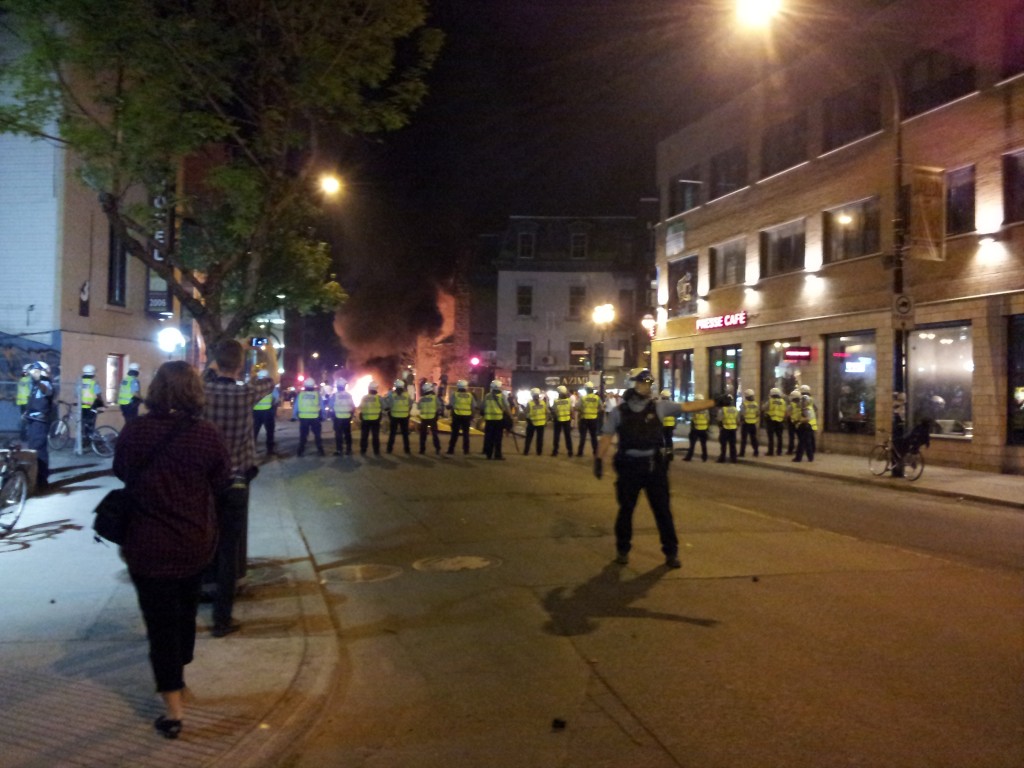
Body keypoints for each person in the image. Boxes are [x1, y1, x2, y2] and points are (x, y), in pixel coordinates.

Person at [114, 360, 231, 740]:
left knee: (160, 627)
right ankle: (179, 676)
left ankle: (174, 710)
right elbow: (220, 481)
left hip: (147, 545)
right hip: (194, 543)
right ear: (195, 392)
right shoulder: (207, 435)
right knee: (183, 617)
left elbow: (122, 471)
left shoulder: (135, 432)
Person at [202, 339, 274, 638]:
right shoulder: (246, 393)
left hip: (204, 480)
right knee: (230, 549)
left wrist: (219, 357)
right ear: (241, 365)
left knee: (203, 539)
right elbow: (272, 378)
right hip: (236, 481)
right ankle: (222, 619)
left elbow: (202, 374)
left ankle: (197, 594)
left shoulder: (202, 391)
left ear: (216, 362)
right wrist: (266, 351)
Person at [593, 368, 685, 569]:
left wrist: (715, 402)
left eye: (648, 383)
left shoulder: (658, 407)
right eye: (642, 383)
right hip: (629, 467)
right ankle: (622, 550)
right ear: (632, 384)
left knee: (662, 511)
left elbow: (688, 406)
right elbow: (607, 437)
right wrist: (599, 459)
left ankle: (671, 552)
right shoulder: (619, 412)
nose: (646, 387)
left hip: (654, 466)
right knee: (626, 510)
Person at [23, 361, 54, 490]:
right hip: (32, 420)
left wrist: (37, 381)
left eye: (36, 371)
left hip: (40, 422)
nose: (33, 373)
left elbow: (48, 392)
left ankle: (42, 481)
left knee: (38, 450)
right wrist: (26, 412)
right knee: (33, 449)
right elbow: (33, 401)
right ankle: (36, 478)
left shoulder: (45, 383)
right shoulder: (35, 385)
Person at [292, 377, 325, 456]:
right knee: (317, 435)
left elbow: (296, 406)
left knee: (303, 435)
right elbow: (322, 406)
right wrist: (323, 416)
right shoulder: (317, 395)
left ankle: (300, 451)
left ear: (305, 386)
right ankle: (320, 450)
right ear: (313, 386)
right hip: (315, 417)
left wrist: (294, 416)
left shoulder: (300, 395)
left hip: (303, 418)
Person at [481, 380, 512, 460]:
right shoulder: (502, 396)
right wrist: (510, 417)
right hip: (498, 420)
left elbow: (483, 406)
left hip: (489, 420)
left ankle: (488, 454)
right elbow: (507, 407)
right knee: (498, 439)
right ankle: (497, 455)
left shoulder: (487, 396)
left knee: (489, 438)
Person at [252, 369, 280, 456]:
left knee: (254, 431)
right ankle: (270, 450)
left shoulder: (254, 386)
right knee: (270, 431)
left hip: (255, 412)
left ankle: (253, 450)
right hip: (267, 411)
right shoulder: (271, 387)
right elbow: (276, 398)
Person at [446, 379, 477, 455]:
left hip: (456, 416)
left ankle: (451, 450)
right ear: (466, 387)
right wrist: (472, 416)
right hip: (466, 417)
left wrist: (448, 407)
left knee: (454, 434)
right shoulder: (470, 395)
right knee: (466, 434)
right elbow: (474, 407)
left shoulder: (455, 394)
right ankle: (466, 450)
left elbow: (451, 405)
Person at [384, 379, 413, 454]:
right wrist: (407, 412)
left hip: (394, 417)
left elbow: (388, 406)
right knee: (405, 434)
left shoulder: (392, 395)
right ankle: (407, 450)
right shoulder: (407, 395)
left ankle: (389, 449)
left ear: (395, 387)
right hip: (404, 417)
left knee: (392, 434)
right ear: (403, 387)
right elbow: (410, 405)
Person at [330, 377, 355, 456]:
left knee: (338, 434)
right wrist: (351, 415)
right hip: (347, 417)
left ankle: (339, 450)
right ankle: (348, 450)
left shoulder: (334, 395)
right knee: (347, 434)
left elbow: (331, 405)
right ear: (344, 386)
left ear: (337, 386)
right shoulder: (349, 395)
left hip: (338, 418)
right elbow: (352, 406)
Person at [575, 384, 602, 457]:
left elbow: (577, 407)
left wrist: (582, 410)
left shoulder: (583, 398)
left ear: (586, 390)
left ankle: (580, 452)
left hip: (584, 419)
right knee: (593, 437)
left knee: (583, 436)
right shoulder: (597, 398)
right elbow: (601, 407)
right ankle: (595, 452)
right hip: (593, 419)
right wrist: (595, 411)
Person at [417, 381, 443, 455]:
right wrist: (438, 413)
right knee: (434, 434)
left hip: (424, 418)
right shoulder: (435, 398)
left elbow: (419, 407)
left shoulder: (422, 399)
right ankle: (437, 449)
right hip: (433, 418)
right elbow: (439, 407)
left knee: (423, 435)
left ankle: (422, 450)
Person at [80, 364, 105, 441]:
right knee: (91, 424)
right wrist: (102, 404)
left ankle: (84, 441)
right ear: (92, 373)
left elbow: (76, 394)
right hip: (91, 407)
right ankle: (90, 440)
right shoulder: (93, 383)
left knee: (83, 424)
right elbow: (98, 395)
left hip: (82, 407)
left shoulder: (80, 382)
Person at [682, 394, 710, 462]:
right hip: (703, 429)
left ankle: (689, 457)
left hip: (695, 429)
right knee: (703, 444)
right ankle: (704, 457)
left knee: (692, 444)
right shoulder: (706, 409)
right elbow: (708, 419)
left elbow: (693, 419)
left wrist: (692, 427)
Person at [359, 380, 384, 456]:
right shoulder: (379, 398)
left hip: (365, 419)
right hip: (375, 419)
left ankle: (363, 450)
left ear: (369, 389)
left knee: (364, 436)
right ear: (376, 389)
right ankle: (376, 451)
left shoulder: (364, 397)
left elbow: (361, 407)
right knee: (375, 436)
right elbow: (384, 406)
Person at [522, 387, 550, 456]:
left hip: (532, 423)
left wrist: (524, 410)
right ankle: (539, 452)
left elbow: (526, 412)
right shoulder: (543, 403)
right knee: (540, 439)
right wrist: (546, 420)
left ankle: (526, 451)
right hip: (541, 424)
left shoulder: (530, 403)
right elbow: (547, 412)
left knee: (529, 438)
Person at [793, 393, 817, 462]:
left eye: (803, 401)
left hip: (805, 427)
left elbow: (807, 418)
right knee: (808, 443)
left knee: (802, 443)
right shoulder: (810, 408)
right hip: (808, 427)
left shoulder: (805, 409)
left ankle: (798, 458)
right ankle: (810, 457)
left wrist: (799, 420)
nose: (802, 402)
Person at [550, 385, 574, 457]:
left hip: (558, 420)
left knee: (556, 436)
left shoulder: (556, 401)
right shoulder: (568, 400)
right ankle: (570, 451)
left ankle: (555, 451)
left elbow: (553, 410)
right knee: (568, 436)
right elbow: (571, 410)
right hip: (567, 420)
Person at [764, 387, 787, 456]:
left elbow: (764, 408)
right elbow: (785, 411)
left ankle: (770, 451)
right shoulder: (783, 402)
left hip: (771, 421)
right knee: (779, 437)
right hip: (780, 421)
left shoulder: (770, 401)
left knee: (771, 437)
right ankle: (779, 451)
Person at [716, 393, 738, 463]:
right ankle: (733, 459)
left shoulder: (722, 410)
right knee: (733, 445)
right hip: (733, 429)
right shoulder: (735, 409)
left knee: (723, 445)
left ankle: (722, 458)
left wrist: (720, 428)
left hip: (725, 429)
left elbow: (719, 420)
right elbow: (738, 420)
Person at [738, 388, 760, 458]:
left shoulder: (744, 404)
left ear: (746, 396)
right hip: (753, 423)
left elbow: (741, 414)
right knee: (753, 438)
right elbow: (758, 413)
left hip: (745, 423)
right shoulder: (755, 404)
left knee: (744, 439)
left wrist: (740, 421)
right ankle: (756, 451)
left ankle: (742, 452)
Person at [659, 388, 677, 460]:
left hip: (662, 425)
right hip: (670, 425)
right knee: (669, 440)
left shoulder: (659, 405)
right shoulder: (673, 404)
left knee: (661, 440)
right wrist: (675, 424)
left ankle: (661, 454)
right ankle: (669, 454)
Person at [16, 363, 30, 440]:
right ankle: (25, 436)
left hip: (21, 403)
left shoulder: (21, 380)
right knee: (28, 420)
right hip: (27, 402)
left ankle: (23, 436)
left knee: (23, 419)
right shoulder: (29, 380)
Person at [785, 389, 801, 455]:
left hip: (792, 423)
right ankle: (799, 450)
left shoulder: (791, 405)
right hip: (799, 422)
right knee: (800, 437)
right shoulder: (801, 405)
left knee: (791, 437)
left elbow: (788, 414)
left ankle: (790, 450)